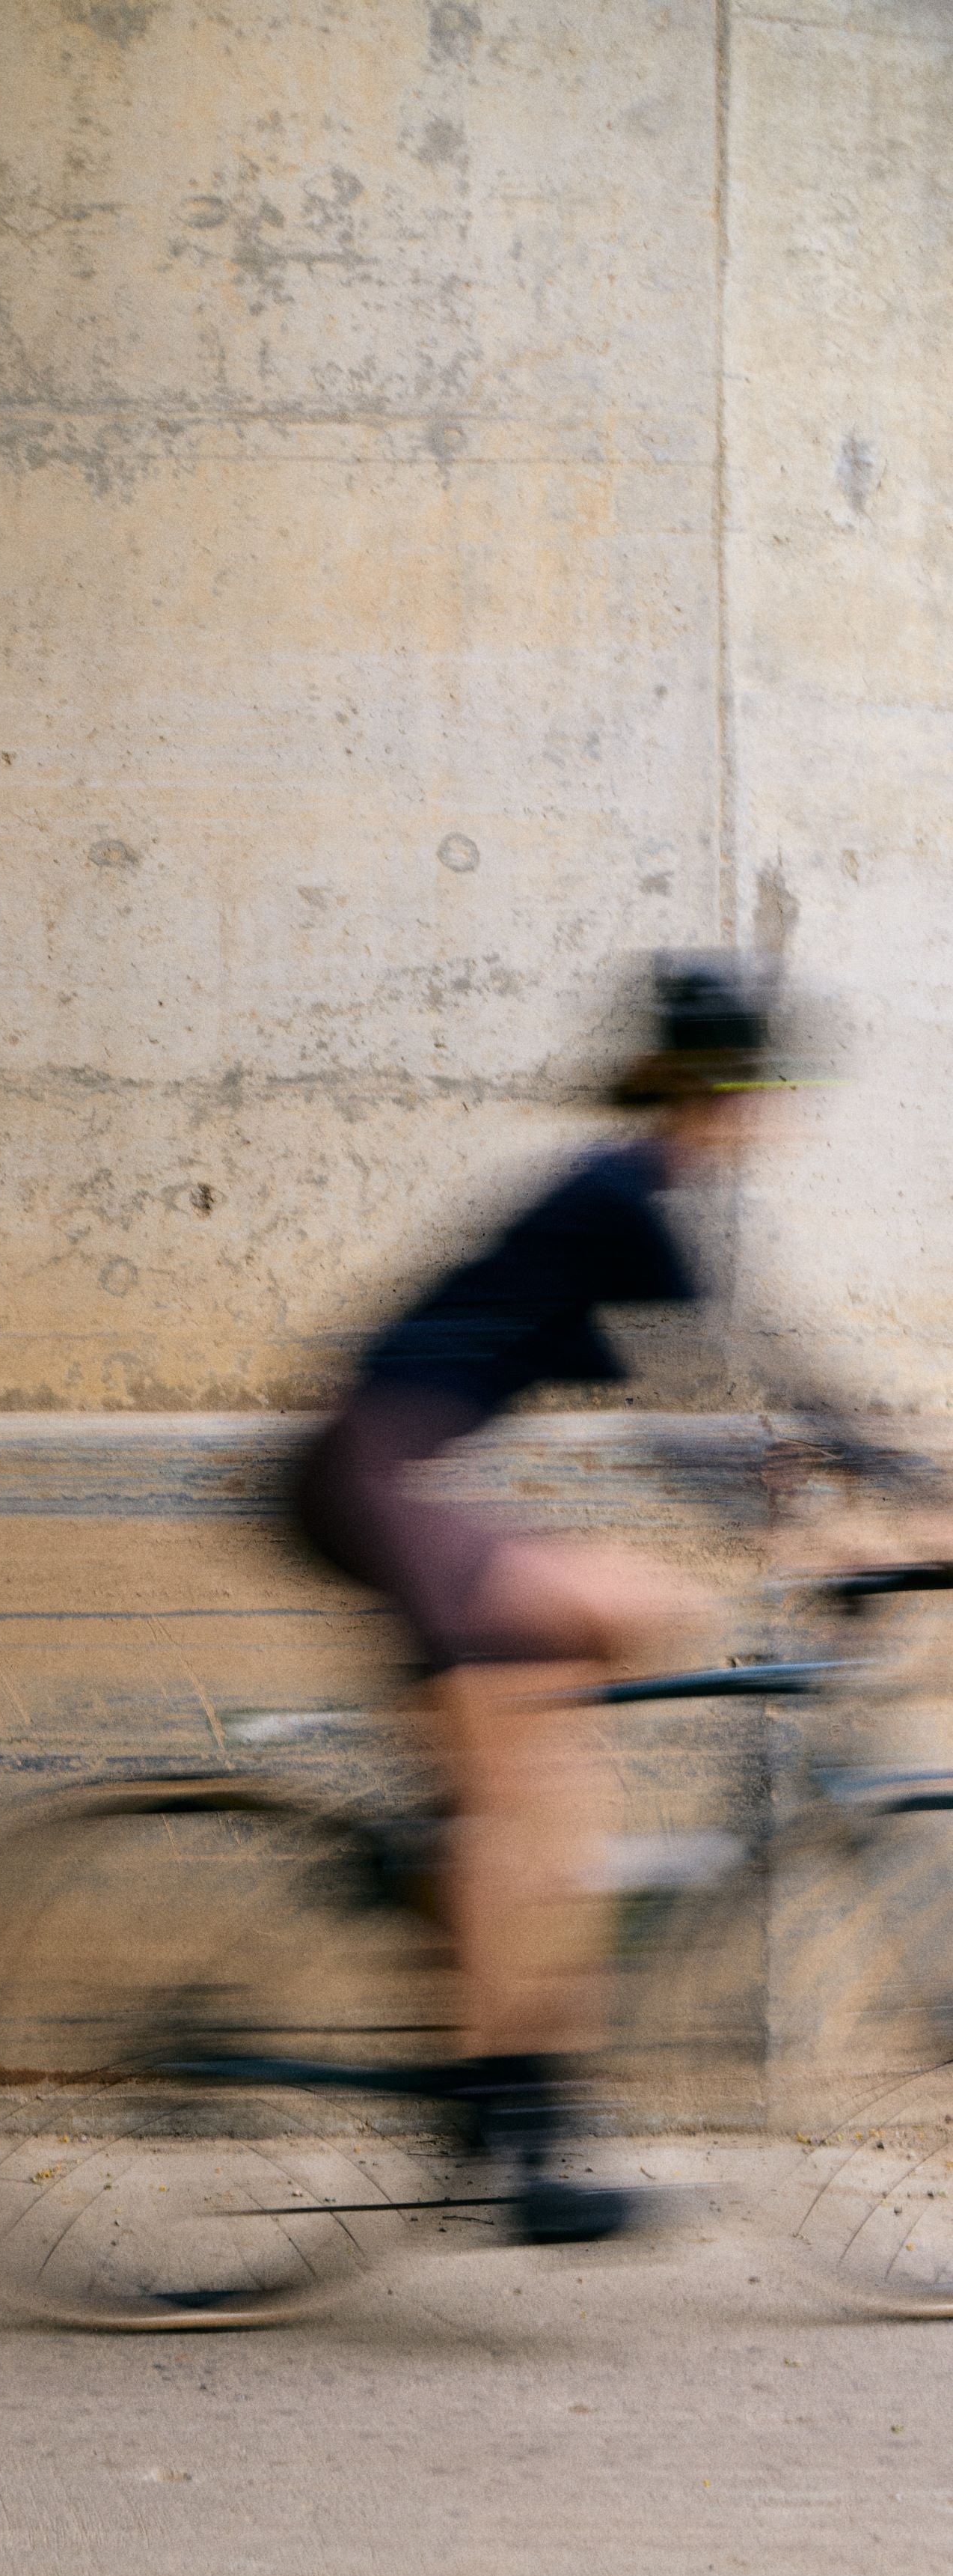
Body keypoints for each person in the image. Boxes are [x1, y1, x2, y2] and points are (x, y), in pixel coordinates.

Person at [290, 956, 913, 2243]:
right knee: (590, 1678)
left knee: (576, 1728)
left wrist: (888, 1480)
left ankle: (507, 2086)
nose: (767, 1116)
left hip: (388, 1477)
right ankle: (507, 2110)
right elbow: (710, 1412)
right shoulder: (624, 1190)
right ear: (725, 1093)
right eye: (759, 1089)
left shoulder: (651, 1198)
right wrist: (823, 1528)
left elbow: (767, 1378)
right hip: (369, 1473)